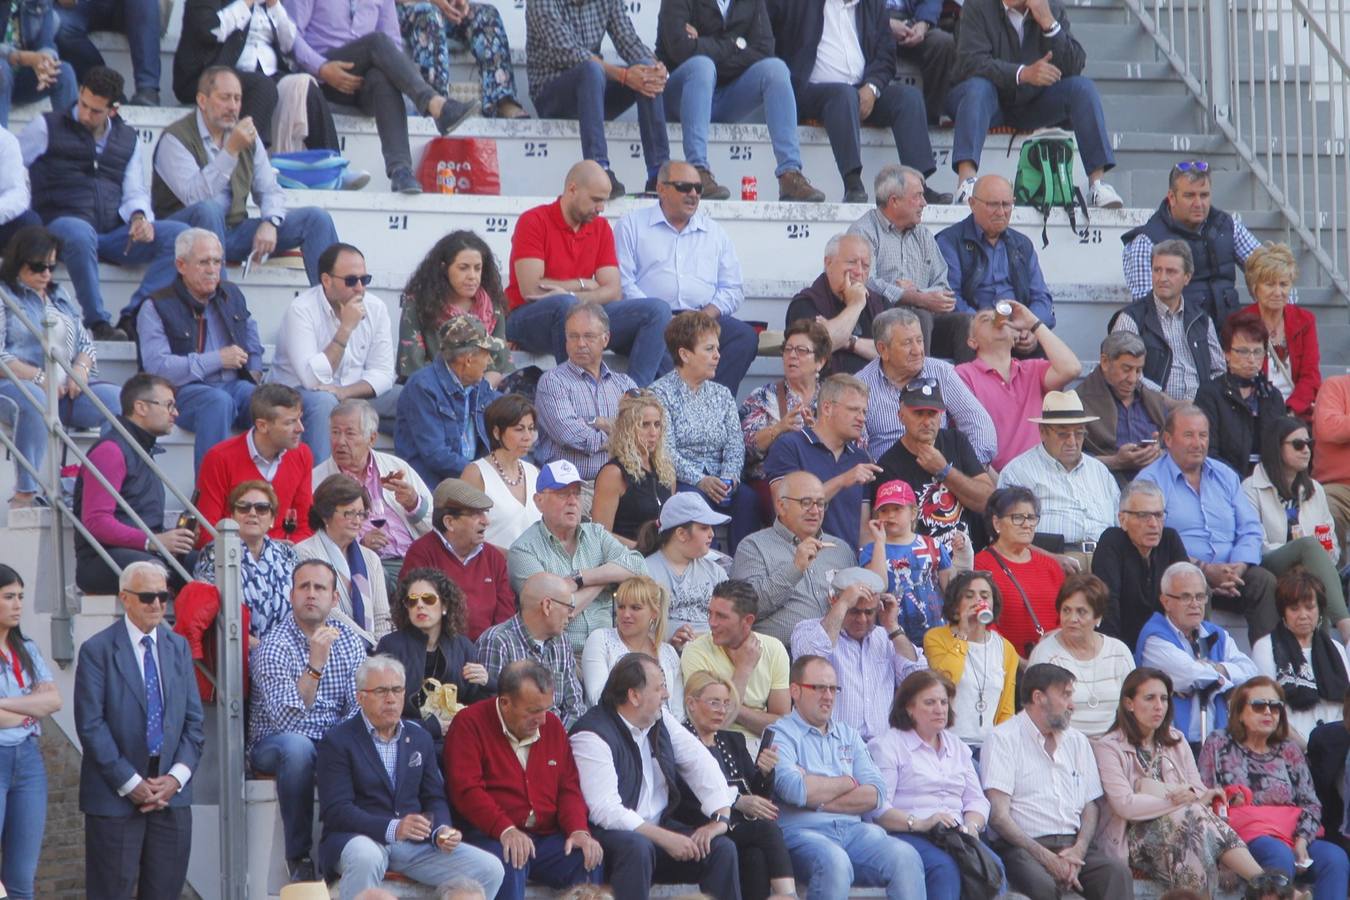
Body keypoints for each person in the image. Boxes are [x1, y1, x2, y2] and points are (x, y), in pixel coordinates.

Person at [315, 655, 506, 899]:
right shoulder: (338, 741)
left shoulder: (419, 737)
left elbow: (434, 796)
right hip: (359, 838)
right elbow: (337, 811)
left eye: (397, 690)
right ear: (360, 697)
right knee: (366, 856)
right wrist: (393, 828)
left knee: (490, 869)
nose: (391, 699)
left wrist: (441, 831)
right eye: (381, 691)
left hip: (413, 845)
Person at [19, 66, 188, 340]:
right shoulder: (46, 126)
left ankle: (134, 315)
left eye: (95, 110)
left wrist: (139, 219)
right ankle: (98, 322)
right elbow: (12, 166)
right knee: (80, 231)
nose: (85, 114)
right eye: (83, 104)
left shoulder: (127, 138)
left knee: (180, 236)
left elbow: (135, 190)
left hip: (111, 233)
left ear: (113, 109)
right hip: (60, 226)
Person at [75, 561, 203, 899]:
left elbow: (194, 723)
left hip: (170, 795)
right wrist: (130, 783)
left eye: (164, 596)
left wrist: (175, 779)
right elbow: (90, 726)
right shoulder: (96, 651)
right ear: (124, 599)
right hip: (115, 794)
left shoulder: (178, 647)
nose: (158, 605)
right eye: (148, 597)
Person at [570, 653, 741, 899]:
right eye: (659, 687)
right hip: (611, 837)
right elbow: (605, 810)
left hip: (659, 829)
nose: (667, 695)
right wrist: (665, 838)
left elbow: (701, 763)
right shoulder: (592, 734)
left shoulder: (660, 719)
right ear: (634, 695)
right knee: (638, 848)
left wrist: (719, 820)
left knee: (721, 849)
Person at [151, 67, 339, 285]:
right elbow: (194, 198)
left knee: (316, 219)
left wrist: (270, 222)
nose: (233, 106)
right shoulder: (175, 138)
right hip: (185, 233)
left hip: (234, 231)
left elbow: (270, 189)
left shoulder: (246, 134)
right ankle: (221, 305)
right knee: (208, 210)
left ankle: (333, 307)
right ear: (202, 101)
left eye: (238, 99)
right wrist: (230, 151)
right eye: (225, 98)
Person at [1094, 667, 1265, 893]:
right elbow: (1125, 806)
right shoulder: (1109, 746)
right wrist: (1179, 802)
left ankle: (1264, 884)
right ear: (1128, 704)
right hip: (1133, 837)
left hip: (1184, 831)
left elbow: (1196, 788)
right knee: (1191, 818)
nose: (1159, 706)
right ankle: (1265, 882)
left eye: (1164, 698)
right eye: (1150, 698)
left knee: (1191, 835)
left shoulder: (1175, 739)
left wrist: (1191, 797)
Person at [769, 654, 927, 899]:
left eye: (833, 688)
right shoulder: (780, 733)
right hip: (802, 834)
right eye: (819, 688)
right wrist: (849, 782)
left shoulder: (847, 734)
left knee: (906, 857)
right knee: (835, 861)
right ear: (795, 691)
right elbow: (793, 789)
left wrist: (815, 795)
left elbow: (876, 792)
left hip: (854, 832)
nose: (828, 696)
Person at [445, 660, 605, 900]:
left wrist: (578, 830)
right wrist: (504, 829)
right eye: (532, 711)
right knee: (511, 858)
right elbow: (466, 789)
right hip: (489, 835)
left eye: (546, 709)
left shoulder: (552, 726)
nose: (542, 719)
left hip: (545, 836)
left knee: (587, 858)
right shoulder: (469, 723)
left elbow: (568, 787)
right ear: (505, 703)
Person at [249, 558, 366, 882]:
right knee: (299, 747)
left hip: (330, 739)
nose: (311, 594)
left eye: (319, 587)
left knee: (362, 743)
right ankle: (298, 856)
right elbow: (287, 720)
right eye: (304, 587)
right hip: (275, 743)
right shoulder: (274, 646)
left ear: (334, 598)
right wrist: (315, 665)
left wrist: (340, 743)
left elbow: (358, 707)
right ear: (292, 595)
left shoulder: (349, 641)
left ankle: (345, 850)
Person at [505, 163, 671, 385]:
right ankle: (579, 393)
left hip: (582, 314)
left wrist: (575, 293)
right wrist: (587, 285)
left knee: (658, 310)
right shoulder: (533, 220)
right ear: (572, 189)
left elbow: (613, 291)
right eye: (596, 199)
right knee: (564, 305)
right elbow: (532, 289)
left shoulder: (601, 227)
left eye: (604, 201)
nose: (601, 208)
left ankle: (633, 399)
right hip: (529, 318)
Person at [284, 0, 475, 192]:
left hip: (362, 84)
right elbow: (290, 35)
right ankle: (436, 105)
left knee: (381, 76)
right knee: (376, 42)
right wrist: (322, 68)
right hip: (321, 81)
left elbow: (393, 44)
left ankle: (401, 171)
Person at [946, 0, 1121, 208]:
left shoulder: (1050, 7)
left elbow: (1074, 65)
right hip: (989, 102)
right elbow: (971, 63)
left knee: (1082, 89)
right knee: (977, 88)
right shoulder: (977, 5)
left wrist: (1049, 24)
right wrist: (1022, 73)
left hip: (1032, 103)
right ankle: (966, 183)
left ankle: (1097, 185)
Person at [766, 0, 943, 205]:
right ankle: (853, 184)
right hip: (810, 91)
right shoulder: (800, 5)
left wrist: (872, 87)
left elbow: (886, 56)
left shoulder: (871, 5)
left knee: (908, 98)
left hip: (861, 89)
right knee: (843, 95)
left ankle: (919, 186)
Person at [981, 663, 1133, 899]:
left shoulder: (1077, 741)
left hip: (1073, 846)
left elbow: (1090, 806)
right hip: (1023, 848)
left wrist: (1078, 850)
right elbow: (999, 817)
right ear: (1039, 697)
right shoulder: (1002, 738)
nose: (1072, 704)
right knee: (1042, 885)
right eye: (1065, 695)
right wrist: (1048, 858)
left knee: (1116, 874)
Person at [655, 0, 825, 203]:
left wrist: (705, 45)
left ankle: (789, 174)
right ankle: (697, 170)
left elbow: (764, 49)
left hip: (725, 95)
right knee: (702, 66)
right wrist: (736, 43)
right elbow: (680, 49)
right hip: (681, 96)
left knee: (776, 69)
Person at [0, 224, 120, 509]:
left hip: (66, 388)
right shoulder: (4, 295)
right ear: (18, 262)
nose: (46, 274)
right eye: (38, 266)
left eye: (51, 267)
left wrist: (79, 370)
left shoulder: (58, 294)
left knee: (116, 402)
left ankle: (108, 487)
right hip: (16, 384)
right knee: (36, 399)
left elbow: (86, 343)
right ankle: (25, 493)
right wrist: (41, 377)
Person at [616, 159, 760, 393]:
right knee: (661, 334)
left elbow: (733, 289)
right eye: (684, 186)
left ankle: (709, 404)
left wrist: (705, 316)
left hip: (702, 316)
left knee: (744, 338)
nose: (693, 194)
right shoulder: (632, 225)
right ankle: (676, 405)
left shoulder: (714, 232)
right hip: (654, 320)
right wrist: (660, 315)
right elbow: (623, 282)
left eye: (698, 188)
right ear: (661, 189)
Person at [1137, 404, 1279, 641]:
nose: (1198, 443)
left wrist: (1237, 567)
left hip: (1233, 572)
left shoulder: (1225, 475)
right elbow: (1153, 541)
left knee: (1264, 581)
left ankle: (1269, 666)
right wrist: (1205, 570)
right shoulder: (1151, 481)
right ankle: (1201, 663)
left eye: (1203, 435)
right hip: (1183, 572)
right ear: (1168, 439)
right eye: (1189, 435)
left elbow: (1251, 528)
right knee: (1194, 585)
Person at [1200, 676, 1350, 898]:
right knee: (1278, 854)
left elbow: (1310, 803)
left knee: (1334, 858)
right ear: (1240, 712)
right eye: (1259, 706)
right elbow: (1208, 800)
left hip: (1291, 835)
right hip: (1244, 837)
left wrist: (1301, 843)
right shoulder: (1218, 743)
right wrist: (1224, 855)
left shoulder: (1289, 749)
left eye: (1275, 707)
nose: (1268, 712)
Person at [868, 670, 1004, 900]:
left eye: (943, 702)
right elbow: (879, 808)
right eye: (929, 703)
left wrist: (971, 826)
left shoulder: (958, 746)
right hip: (908, 833)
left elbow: (976, 800)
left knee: (993, 866)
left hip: (956, 835)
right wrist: (920, 823)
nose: (940, 709)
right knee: (944, 868)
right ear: (909, 708)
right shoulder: (888, 745)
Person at [137, 227, 263, 470]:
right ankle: (207, 498)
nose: (212, 269)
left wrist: (255, 369)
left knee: (267, 402)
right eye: (204, 262)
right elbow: (158, 368)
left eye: (217, 261)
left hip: (236, 386)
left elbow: (251, 332)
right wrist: (217, 359)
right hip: (183, 391)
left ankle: (261, 491)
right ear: (181, 265)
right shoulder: (156, 306)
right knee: (218, 402)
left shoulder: (231, 293)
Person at [526, 0, 670, 198]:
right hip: (551, 93)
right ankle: (599, 168)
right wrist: (624, 76)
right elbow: (568, 52)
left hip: (593, 91)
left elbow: (628, 40)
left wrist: (655, 67)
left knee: (645, 71)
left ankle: (659, 174)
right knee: (591, 69)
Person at [270, 242, 398, 463]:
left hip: (351, 393)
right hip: (301, 394)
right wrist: (345, 329)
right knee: (323, 403)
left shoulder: (376, 307)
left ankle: (402, 483)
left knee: (411, 397)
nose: (359, 288)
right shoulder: (301, 310)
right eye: (351, 280)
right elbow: (311, 380)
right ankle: (320, 489)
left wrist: (343, 392)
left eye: (364, 279)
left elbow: (384, 373)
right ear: (326, 281)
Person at [172, 0, 347, 156]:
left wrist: (274, 6)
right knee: (263, 87)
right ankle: (249, 167)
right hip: (212, 74)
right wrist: (247, 2)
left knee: (306, 86)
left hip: (267, 73)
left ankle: (333, 164)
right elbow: (211, 31)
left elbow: (288, 45)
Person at [509, 459, 649, 652]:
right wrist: (604, 581)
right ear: (538, 501)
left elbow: (639, 566)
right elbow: (554, 613)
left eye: (576, 493)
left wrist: (582, 577)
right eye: (562, 494)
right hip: (559, 654)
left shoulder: (596, 534)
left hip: (611, 650)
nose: (572, 501)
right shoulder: (524, 550)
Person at [73, 374, 195, 594]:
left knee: (213, 565)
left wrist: (168, 541)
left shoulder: (141, 448)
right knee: (152, 574)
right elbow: (97, 522)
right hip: (102, 558)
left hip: (144, 551)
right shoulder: (111, 451)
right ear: (141, 407)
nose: (175, 413)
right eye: (169, 405)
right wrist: (153, 541)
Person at [682, 670, 796, 900]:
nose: (721, 710)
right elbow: (685, 794)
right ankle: (789, 896)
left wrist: (764, 772)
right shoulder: (682, 741)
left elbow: (757, 796)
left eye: (726, 703)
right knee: (768, 829)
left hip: (743, 828)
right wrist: (737, 802)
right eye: (714, 702)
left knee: (755, 857)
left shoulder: (732, 740)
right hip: (703, 823)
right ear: (691, 704)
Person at [1241, 416, 1350, 641]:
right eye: (1298, 445)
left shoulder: (1315, 489)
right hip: (1269, 563)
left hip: (1308, 569)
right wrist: (1300, 554)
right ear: (1276, 447)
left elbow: (1330, 543)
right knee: (1308, 545)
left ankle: (1323, 653)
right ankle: (1346, 627)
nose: (1306, 451)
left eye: (1309, 444)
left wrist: (1322, 554)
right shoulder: (1250, 488)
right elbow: (1256, 544)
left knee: (1313, 571)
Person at [789, 566, 925, 742]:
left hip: (883, 747)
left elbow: (919, 680)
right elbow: (808, 660)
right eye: (853, 611)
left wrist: (892, 626)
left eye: (869, 612)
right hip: (829, 743)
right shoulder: (808, 629)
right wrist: (844, 603)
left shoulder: (886, 638)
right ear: (833, 601)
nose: (862, 619)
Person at [1137, 561, 1259, 751]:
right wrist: (1227, 681)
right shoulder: (1154, 637)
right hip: (1172, 745)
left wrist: (1217, 668)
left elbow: (1251, 672)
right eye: (1185, 597)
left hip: (1219, 742)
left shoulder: (1216, 634)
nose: (1195, 604)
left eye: (1200, 596)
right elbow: (1191, 675)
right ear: (1166, 602)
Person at [1122, 160, 1263, 324]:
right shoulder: (1146, 242)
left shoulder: (1229, 226)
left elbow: (1268, 270)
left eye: (1204, 195)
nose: (1199, 204)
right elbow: (1147, 312)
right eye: (1189, 196)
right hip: (1180, 340)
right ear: (1172, 197)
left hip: (1231, 339)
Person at [872, 376, 995, 556]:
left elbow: (989, 502)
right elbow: (893, 532)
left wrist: (945, 471)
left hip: (973, 560)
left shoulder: (956, 441)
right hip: (924, 567)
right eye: (918, 413)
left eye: (932, 413)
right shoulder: (888, 466)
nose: (927, 421)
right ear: (901, 416)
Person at [730, 471, 858, 644]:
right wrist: (795, 568)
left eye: (821, 504)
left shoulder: (841, 549)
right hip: (784, 657)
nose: (815, 511)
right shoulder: (753, 547)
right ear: (781, 506)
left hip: (840, 654)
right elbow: (746, 608)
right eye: (806, 503)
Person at [315, 398, 433, 584]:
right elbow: (319, 538)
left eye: (350, 433)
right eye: (335, 433)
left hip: (414, 557)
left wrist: (413, 503)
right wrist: (358, 546)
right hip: (366, 565)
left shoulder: (395, 467)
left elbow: (435, 524)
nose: (340, 442)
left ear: (372, 438)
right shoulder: (319, 481)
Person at [848, 168, 961, 357]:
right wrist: (910, 297)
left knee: (966, 324)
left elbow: (943, 287)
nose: (924, 203)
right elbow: (865, 282)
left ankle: (963, 386)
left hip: (927, 322)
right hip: (879, 322)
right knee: (917, 318)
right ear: (894, 201)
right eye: (918, 196)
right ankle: (917, 384)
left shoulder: (923, 235)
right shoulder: (864, 232)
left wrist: (916, 294)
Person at [955, 302, 1081, 471]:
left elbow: (1071, 368)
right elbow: (968, 439)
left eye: (1001, 318)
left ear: (1015, 336)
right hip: (993, 480)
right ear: (972, 342)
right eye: (986, 319)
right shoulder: (962, 375)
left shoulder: (1032, 370)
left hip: (1041, 475)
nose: (997, 321)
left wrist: (1033, 322)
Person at [532, 302, 639, 500]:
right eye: (573, 336)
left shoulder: (624, 384)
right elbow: (570, 435)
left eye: (588, 336)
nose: (580, 343)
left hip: (620, 487)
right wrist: (618, 434)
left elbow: (640, 434)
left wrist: (598, 423)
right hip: (568, 489)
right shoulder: (552, 382)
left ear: (605, 339)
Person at [763, 372, 880, 549]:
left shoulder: (860, 458)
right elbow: (786, 511)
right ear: (826, 408)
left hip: (848, 566)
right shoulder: (789, 446)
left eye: (864, 411)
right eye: (853, 409)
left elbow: (863, 530)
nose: (862, 418)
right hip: (801, 561)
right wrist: (842, 480)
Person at [374, 568, 492, 741]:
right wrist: (430, 727)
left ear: (444, 605)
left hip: (456, 737)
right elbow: (379, 706)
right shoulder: (391, 646)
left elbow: (477, 703)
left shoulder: (463, 646)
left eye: (428, 599)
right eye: (412, 601)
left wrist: (486, 682)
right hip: (406, 738)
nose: (420, 605)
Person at [936, 175, 1060, 339]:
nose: (1001, 212)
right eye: (993, 204)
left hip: (1019, 330)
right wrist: (990, 327)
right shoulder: (949, 241)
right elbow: (951, 299)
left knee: (1052, 352)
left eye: (1007, 204)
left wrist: (1031, 328)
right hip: (974, 332)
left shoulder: (1022, 245)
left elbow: (1041, 297)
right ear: (972, 204)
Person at [0, 565, 60, 900]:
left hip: (28, 763)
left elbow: (53, 700)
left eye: (21, 597)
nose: (18, 604)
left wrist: (8, 704)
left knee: (22, 879)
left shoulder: (27, 648)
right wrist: (28, 708)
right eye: (9, 597)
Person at [998, 391, 1121, 552]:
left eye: (1079, 433)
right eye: (1063, 434)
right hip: (1050, 558)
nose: (1072, 442)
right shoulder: (1018, 472)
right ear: (1042, 431)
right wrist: (1051, 558)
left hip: (1104, 558)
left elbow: (1120, 522)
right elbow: (1007, 534)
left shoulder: (1100, 472)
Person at [195, 382, 315, 546]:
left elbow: (305, 524)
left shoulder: (302, 454)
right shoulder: (219, 457)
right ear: (262, 425)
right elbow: (208, 530)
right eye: (290, 422)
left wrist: (281, 553)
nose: (300, 428)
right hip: (232, 556)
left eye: (300, 419)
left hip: (284, 555)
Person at [1110, 239, 1226, 403]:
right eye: (1157, 270)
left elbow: (1219, 371)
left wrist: (1203, 402)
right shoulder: (1131, 318)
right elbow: (1124, 373)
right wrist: (1168, 403)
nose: (1162, 278)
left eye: (1171, 271)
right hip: (1151, 411)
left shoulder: (1201, 319)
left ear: (1187, 277)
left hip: (1200, 412)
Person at [400, 479, 515, 642]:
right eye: (476, 514)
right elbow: (414, 612)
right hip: (440, 651)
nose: (486, 521)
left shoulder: (493, 557)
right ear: (449, 522)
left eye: (485, 513)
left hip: (488, 652)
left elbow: (505, 616)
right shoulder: (421, 553)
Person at [395, 315, 502, 488]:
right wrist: (484, 473)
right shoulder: (422, 387)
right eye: (486, 354)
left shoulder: (479, 385)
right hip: (431, 488)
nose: (489, 361)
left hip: (471, 481)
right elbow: (436, 454)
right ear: (468, 359)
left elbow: (509, 416)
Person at [679, 579, 790, 743]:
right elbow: (714, 723)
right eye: (710, 613)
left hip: (763, 747)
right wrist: (743, 669)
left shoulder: (774, 649)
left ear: (748, 621)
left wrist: (732, 709)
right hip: (716, 744)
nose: (712, 623)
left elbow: (782, 726)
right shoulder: (695, 651)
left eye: (721, 616)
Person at [398, 231, 512, 387]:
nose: (472, 276)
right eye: (463, 268)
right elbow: (413, 366)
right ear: (444, 268)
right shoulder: (418, 304)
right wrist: (455, 394)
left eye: (477, 268)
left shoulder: (493, 307)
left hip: (481, 391)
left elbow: (499, 365)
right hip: (431, 391)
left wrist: (476, 395)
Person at [1027, 574, 1135, 738]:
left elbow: (1132, 707)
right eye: (1066, 610)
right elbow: (1037, 717)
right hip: (1063, 747)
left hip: (1114, 747)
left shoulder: (1119, 652)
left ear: (1098, 617)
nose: (1072, 619)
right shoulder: (1045, 655)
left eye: (1081, 612)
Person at [192, 479, 300, 643]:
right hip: (238, 650)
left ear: (272, 519)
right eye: (243, 507)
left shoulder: (287, 553)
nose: (252, 513)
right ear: (232, 516)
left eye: (262, 508)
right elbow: (214, 615)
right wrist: (263, 649)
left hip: (287, 651)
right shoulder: (214, 552)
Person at [476, 571, 588, 728]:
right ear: (547, 606)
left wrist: (556, 740)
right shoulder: (497, 641)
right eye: (569, 607)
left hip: (559, 740)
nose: (571, 615)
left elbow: (576, 707)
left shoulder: (562, 641)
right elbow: (495, 712)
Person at [740, 319, 830, 512]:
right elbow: (743, 449)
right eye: (788, 349)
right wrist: (778, 429)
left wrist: (820, 435)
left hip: (822, 481)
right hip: (774, 483)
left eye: (801, 351)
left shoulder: (833, 401)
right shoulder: (763, 397)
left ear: (820, 362)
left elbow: (858, 444)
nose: (792, 356)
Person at [1250, 571, 1349, 743]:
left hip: (1338, 745)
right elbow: (1269, 708)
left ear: (1319, 609)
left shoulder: (1337, 648)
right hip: (1289, 745)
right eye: (1294, 609)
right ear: (1283, 612)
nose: (1303, 615)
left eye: (1309, 607)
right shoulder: (1265, 647)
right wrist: (1303, 749)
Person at [1091, 479, 1190, 650]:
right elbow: (1108, 603)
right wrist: (1116, 655)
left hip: (1167, 644)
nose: (1153, 524)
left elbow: (1189, 593)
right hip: (1122, 646)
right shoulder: (1111, 542)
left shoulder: (1170, 540)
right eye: (1143, 515)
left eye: (1158, 515)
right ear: (1122, 519)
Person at [924, 570, 1019, 745]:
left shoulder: (1006, 648)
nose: (978, 601)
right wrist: (962, 633)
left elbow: (1006, 709)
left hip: (990, 745)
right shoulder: (936, 637)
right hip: (948, 743)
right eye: (969, 596)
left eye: (985, 596)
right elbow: (946, 681)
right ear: (955, 606)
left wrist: (1002, 746)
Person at [297, 474, 392, 644]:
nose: (357, 521)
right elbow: (329, 611)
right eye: (349, 513)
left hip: (372, 652)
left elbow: (382, 617)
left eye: (361, 514)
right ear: (326, 515)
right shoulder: (305, 553)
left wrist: (382, 650)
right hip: (325, 649)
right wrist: (369, 644)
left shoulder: (371, 558)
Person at [973, 486, 1065, 658]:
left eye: (1031, 517)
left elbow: (1065, 614)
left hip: (1053, 662)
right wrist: (1016, 661)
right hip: (1003, 665)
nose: (1027, 524)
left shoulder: (1051, 566)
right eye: (1017, 518)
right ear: (997, 523)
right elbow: (983, 623)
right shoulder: (981, 564)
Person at [392, 0, 524, 118]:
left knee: (487, 15)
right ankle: (435, 105)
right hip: (398, 10)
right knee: (429, 15)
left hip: (440, 8)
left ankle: (502, 100)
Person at [860, 480, 955, 645]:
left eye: (897, 509)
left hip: (936, 633)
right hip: (890, 635)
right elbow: (878, 586)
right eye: (884, 510)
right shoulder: (871, 550)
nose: (890, 515)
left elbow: (951, 590)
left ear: (913, 513)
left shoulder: (934, 545)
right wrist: (880, 542)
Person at [1195, 309, 1286, 479]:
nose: (1251, 359)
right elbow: (1208, 453)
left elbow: (1280, 449)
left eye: (1257, 351)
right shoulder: (1210, 394)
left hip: (1268, 482)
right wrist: (1240, 484)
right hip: (1224, 481)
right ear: (1226, 353)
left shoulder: (1273, 396)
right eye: (1243, 351)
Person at [783, 233, 888, 375]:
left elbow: (894, 353)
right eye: (851, 262)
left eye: (865, 265)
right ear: (828, 263)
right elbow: (818, 347)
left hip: (877, 392)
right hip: (825, 392)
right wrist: (855, 305)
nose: (859, 272)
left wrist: (849, 342)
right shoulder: (805, 303)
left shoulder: (880, 303)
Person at [582, 575, 685, 719]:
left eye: (635, 608)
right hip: (612, 731)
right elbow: (598, 698)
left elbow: (678, 711)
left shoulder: (668, 653)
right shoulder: (600, 639)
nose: (625, 614)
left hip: (664, 734)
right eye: (621, 607)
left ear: (654, 613)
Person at [1077, 332, 1168, 484]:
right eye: (1126, 369)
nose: (1133, 379)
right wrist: (1115, 461)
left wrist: (1158, 453)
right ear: (1105, 362)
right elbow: (1067, 459)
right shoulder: (1079, 402)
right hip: (1102, 486)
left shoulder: (1153, 401)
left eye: (1138, 371)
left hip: (1157, 485)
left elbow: (1176, 449)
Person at [592, 392, 677, 548]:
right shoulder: (613, 473)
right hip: (627, 558)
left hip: (662, 556)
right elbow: (599, 534)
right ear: (627, 428)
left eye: (657, 424)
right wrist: (640, 548)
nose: (653, 433)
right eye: (645, 424)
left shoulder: (666, 470)